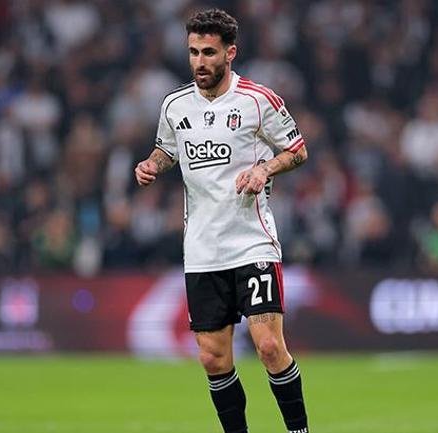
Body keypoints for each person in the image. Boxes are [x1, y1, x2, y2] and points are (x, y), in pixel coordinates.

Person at [134, 9, 309, 433]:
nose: (199, 61)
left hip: (251, 243)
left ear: (230, 53)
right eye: (193, 52)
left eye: (209, 52)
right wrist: (152, 164)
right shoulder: (174, 105)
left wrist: (265, 169)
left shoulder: (258, 100)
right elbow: (167, 149)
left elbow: (297, 150)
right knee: (213, 358)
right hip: (202, 250)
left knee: (269, 347)